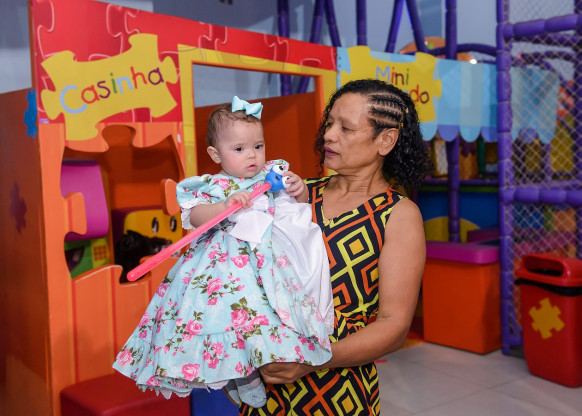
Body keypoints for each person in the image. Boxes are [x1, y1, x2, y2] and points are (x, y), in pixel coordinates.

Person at [113, 96, 334, 409]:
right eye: (239, 149)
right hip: (223, 264)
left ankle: (256, 366)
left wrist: (298, 189)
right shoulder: (213, 185)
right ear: (215, 154)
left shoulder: (271, 176)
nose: (252, 155)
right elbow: (195, 217)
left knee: (264, 315)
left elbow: (294, 209)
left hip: (268, 260)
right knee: (225, 316)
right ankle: (238, 375)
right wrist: (224, 205)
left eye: (258, 146)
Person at [240, 79, 431, 415]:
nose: (329, 135)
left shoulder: (398, 216)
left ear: (385, 140)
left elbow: (393, 325)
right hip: (268, 380)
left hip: (338, 390)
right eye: (330, 123)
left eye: (346, 127)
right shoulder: (295, 194)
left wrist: (314, 359)